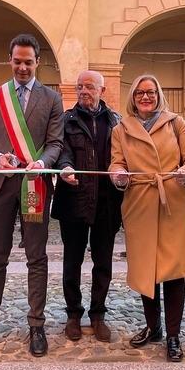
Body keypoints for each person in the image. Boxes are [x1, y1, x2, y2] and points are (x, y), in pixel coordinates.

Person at [0, 33, 64, 357]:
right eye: (17, 61)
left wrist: (42, 162)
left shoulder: (52, 99)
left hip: (35, 185)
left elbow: (56, 142)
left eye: (28, 62)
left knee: (36, 258)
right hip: (0, 185)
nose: (23, 67)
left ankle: (36, 324)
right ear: (9, 60)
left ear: (37, 62)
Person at [109, 74, 185, 362]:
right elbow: (117, 161)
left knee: (173, 270)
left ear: (159, 94)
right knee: (145, 269)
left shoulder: (176, 123)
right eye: (140, 93)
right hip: (140, 202)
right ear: (133, 97)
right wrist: (118, 175)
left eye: (150, 92)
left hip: (172, 200)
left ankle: (173, 335)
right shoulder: (121, 129)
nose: (145, 97)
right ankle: (154, 327)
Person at [52, 70, 123, 343]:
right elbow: (60, 148)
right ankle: (73, 314)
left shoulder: (116, 122)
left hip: (106, 203)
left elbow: (122, 156)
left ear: (101, 91)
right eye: (80, 86)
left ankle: (98, 314)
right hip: (74, 201)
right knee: (72, 260)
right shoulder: (66, 120)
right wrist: (65, 166)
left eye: (89, 87)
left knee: (103, 261)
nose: (84, 91)